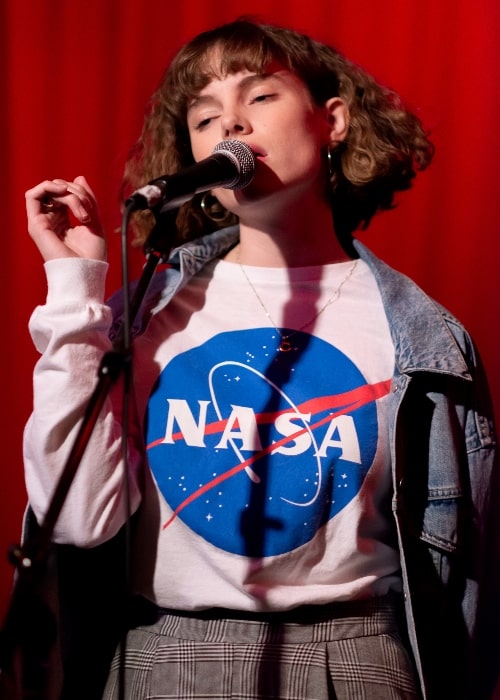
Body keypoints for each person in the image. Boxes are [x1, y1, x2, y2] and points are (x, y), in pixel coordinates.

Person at [22, 18, 498, 700]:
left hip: (355, 660)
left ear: (331, 120)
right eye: (205, 114)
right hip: (165, 659)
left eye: (260, 97)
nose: (229, 127)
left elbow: (475, 580)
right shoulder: (152, 311)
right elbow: (78, 521)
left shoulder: (427, 341)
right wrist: (76, 290)